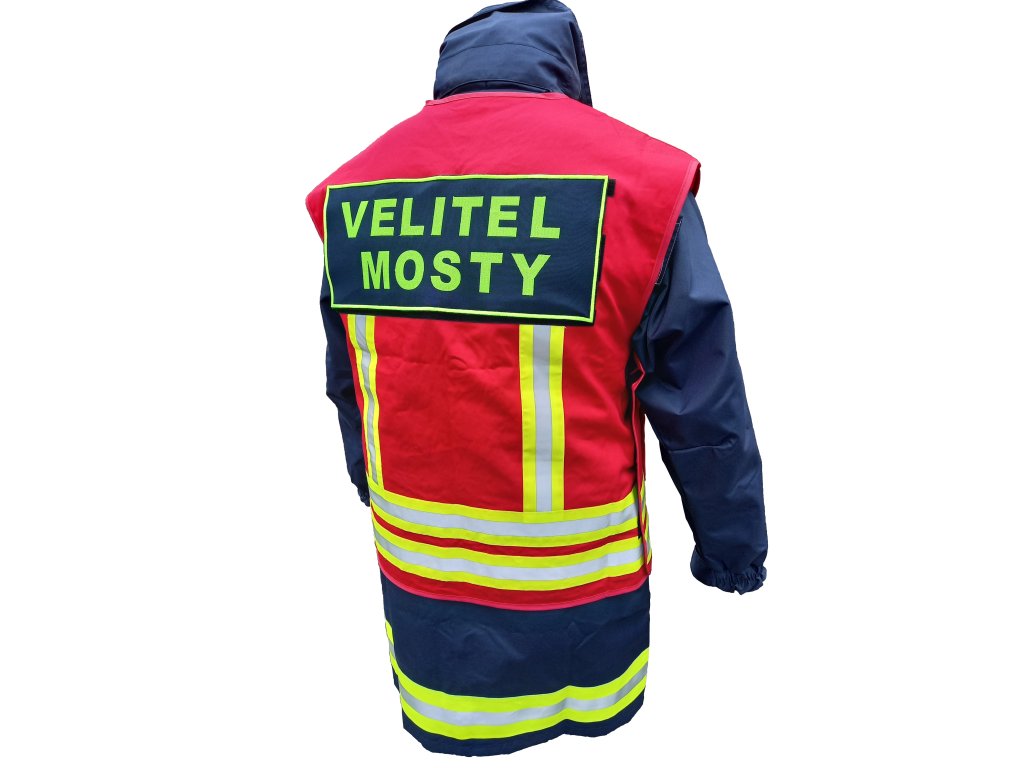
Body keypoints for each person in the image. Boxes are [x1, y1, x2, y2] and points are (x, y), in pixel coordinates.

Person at [305, 0, 767, 756]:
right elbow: (703, 402)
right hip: (583, 608)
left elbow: (351, 381)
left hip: (424, 594)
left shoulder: (353, 192)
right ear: (566, 64)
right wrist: (732, 553)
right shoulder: (641, 184)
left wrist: (368, 482)